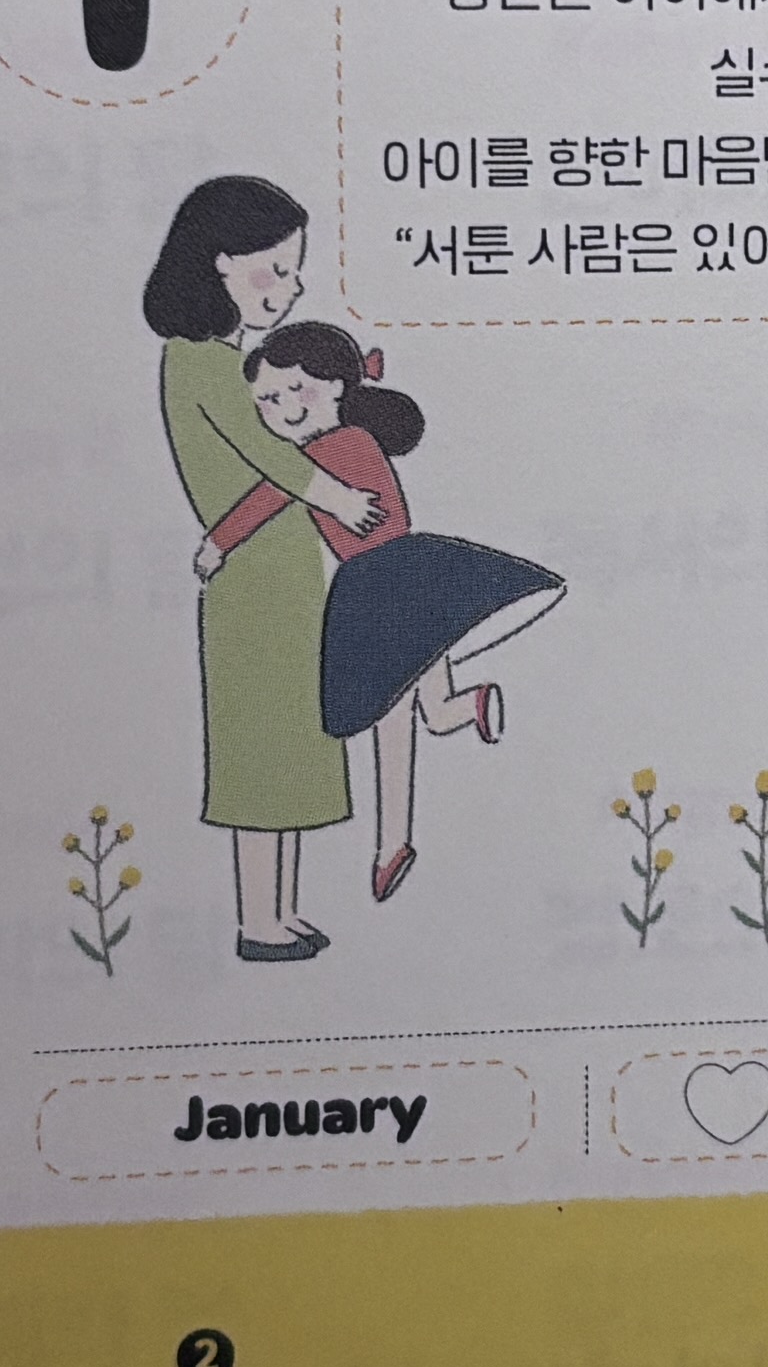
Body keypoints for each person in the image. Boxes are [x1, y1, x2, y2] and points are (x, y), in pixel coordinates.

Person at [200, 323, 566, 904]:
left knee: (393, 713)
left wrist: (218, 543)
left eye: (298, 390)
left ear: (336, 388)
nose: (285, 408)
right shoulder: (345, 442)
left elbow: (269, 495)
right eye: (268, 399)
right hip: (411, 573)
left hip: (378, 583)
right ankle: (460, 712)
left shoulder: (334, 447)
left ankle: (394, 841)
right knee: (421, 699)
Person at [137, 174, 375, 963]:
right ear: (219, 262)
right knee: (259, 755)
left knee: (290, 747)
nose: (291, 286)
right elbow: (269, 455)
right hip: (251, 582)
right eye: (275, 268)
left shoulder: (229, 362)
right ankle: (257, 921)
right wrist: (337, 496)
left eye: (293, 270)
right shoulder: (198, 362)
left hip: (285, 573)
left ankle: (281, 910)